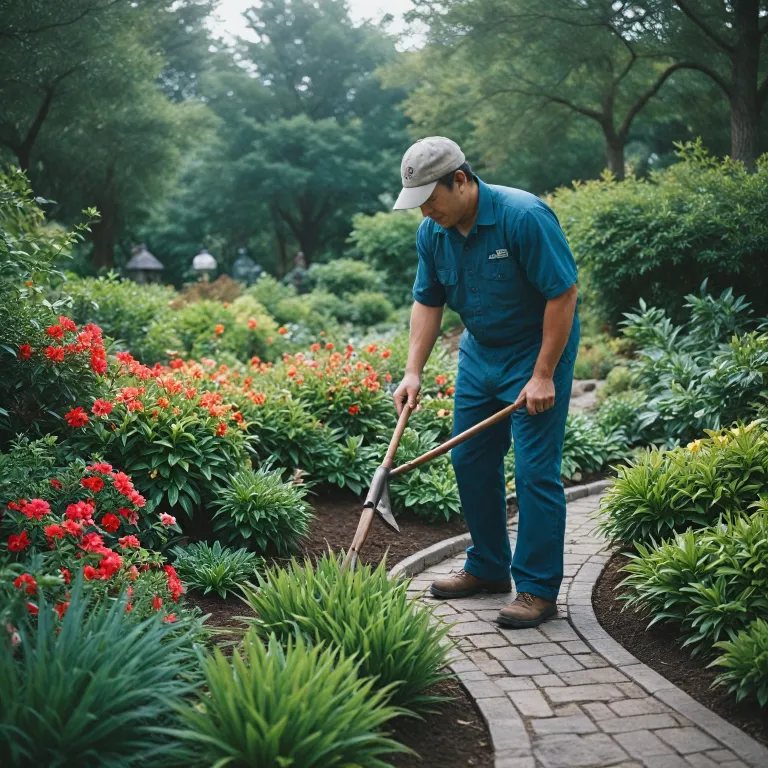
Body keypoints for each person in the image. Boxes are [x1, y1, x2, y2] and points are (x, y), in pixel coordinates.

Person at [392, 137, 579, 628]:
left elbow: (563, 294)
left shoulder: (524, 217)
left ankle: (537, 588)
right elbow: (428, 301)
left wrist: (543, 375)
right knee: (469, 457)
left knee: (535, 470)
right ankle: (489, 567)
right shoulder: (433, 234)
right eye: (418, 205)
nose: (426, 212)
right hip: (480, 353)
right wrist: (413, 371)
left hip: (536, 352)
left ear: (460, 180)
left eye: (431, 200)